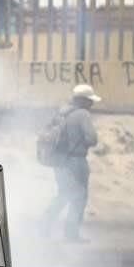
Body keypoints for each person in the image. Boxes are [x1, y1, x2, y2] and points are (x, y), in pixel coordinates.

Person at [41, 84, 100, 242]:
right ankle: (71, 233)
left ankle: (44, 225)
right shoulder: (83, 114)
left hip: (59, 161)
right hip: (76, 161)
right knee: (79, 196)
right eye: (90, 100)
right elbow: (92, 139)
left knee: (64, 194)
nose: (92, 104)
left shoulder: (63, 112)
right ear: (83, 100)